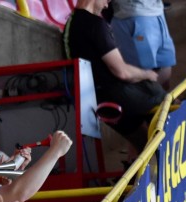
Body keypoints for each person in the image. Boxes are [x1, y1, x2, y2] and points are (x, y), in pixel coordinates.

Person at [63, 0, 167, 151]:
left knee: (147, 146)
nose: (106, 5)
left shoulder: (72, 22)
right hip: (116, 99)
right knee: (169, 102)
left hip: (98, 99)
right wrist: (147, 74)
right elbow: (122, 72)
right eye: (106, 0)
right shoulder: (95, 25)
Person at [110, 0, 176, 90]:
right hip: (134, 16)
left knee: (166, 63)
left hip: (157, 12)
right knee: (143, 72)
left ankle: (164, 100)